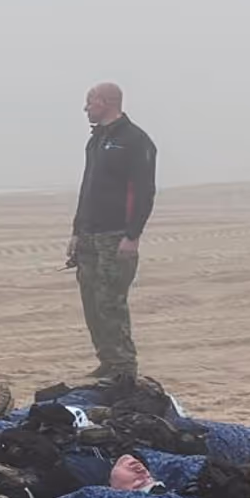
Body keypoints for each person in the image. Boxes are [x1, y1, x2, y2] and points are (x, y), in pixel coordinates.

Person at [68, 82, 157, 379]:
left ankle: (123, 366)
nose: (85, 109)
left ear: (105, 102)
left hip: (116, 235)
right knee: (92, 303)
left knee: (110, 302)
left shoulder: (135, 140)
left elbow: (144, 191)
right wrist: (77, 231)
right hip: (90, 235)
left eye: (89, 102)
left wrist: (132, 235)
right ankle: (107, 360)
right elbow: (88, 188)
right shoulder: (95, 141)